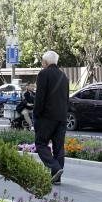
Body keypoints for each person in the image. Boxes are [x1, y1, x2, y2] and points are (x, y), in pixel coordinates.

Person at [33, 50, 69, 184]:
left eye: (42, 62)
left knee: (40, 143)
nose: (42, 64)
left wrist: (36, 114)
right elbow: (66, 98)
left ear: (45, 62)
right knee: (59, 147)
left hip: (47, 117)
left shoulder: (43, 74)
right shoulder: (64, 76)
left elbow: (39, 97)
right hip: (62, 117)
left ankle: (55, 167)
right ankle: (56, 178)